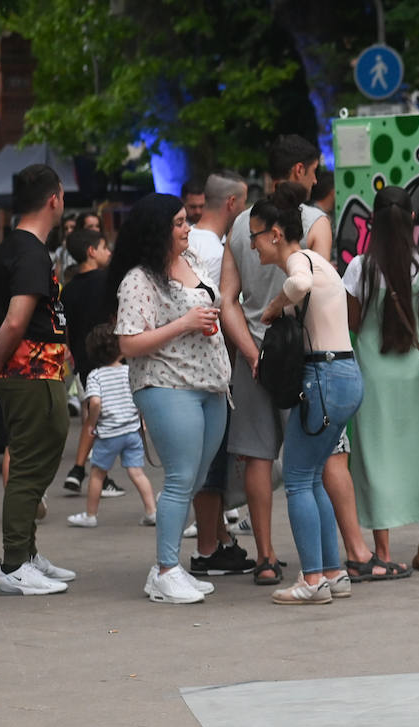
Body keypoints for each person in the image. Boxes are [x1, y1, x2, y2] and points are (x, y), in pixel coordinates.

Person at [219, 135, 341, 586]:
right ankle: (327, 563)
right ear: (297, 172)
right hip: (302, 356)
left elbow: (227, 301)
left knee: (256, 456)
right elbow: (318, 290)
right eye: (312, 171)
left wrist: (251, 353)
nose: (314, 179)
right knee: (315, 460)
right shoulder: (314, 221)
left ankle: (266, 556)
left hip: (253, 354)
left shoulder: (237, 226)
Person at [111, 193, 230, 604]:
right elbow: (128, 343)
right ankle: (165, 569)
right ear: (158, 229)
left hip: (211, 384)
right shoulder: (138, 280)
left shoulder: (193, 262)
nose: (188, 228)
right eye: (179, 223)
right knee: (181, 478)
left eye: (187, 221)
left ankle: (169, 566)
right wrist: (184, 323)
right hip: (166, 385)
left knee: (196, 478)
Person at [252, 184, 363, 604]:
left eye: (255, 236)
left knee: (296, 477)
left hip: (324, 376)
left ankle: (313, 580)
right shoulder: (321, 259)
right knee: (312, 474)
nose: (253, 245)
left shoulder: (299, 260)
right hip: (344, 375)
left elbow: (297, 284)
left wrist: (276, 306)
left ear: (275, 234)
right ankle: (333, 572)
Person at [341, 186, 419, 576]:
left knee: (377, 458)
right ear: (411, 219)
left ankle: (384, 549)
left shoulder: (359, 267)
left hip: (374, 373)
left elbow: (352, 323)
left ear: (373, 220)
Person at [0, 163, 77, 596]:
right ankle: (14, 563)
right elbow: (16, 320)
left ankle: (27, 554)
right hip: (29, 373)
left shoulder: (20, 248)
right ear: (54, 198)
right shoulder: (29, 252)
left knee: (39, 458)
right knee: (29, 467)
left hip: (41, 371)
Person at [183, 168, 255, 578]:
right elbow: (226, 308)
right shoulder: (216, 252)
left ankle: (217, 539)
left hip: (187, 366)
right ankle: (208, 548)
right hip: (215, 367)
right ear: (232, 203)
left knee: (205, 459)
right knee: (211, 462)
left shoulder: (185, 240)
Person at [65, 324, 157, 528]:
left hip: (108, 433)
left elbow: (95, 403)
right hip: (132, 431)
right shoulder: (129, 371)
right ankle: (151, 511)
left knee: (98, 473)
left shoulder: (96, 376)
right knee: (137, 472)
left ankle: (90, 515)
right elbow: (139, 397)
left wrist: (93, 421)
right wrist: (141, 420)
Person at [59, 228, 119, 498]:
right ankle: (92, 472)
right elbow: (118, 317)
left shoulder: (68, 290)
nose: (109, 252)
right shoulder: (109, 281)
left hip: (84, 362)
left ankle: (82, 470)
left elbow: (67, 330)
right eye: (105, 247)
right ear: (92, 251)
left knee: (95, 415)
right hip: (111, 358)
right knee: (109, 420)